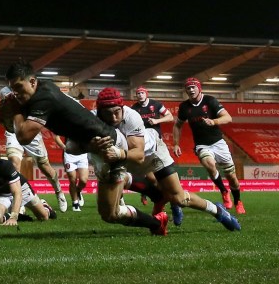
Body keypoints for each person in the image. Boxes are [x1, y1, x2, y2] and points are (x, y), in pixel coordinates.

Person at [0, 60, 167, 235]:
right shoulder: (40, 89)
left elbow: (23, 137)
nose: (15, 93)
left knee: (111, 214)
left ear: (32, 82)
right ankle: (152, 198)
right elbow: (15, 126)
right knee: (109, 212)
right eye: (12, 89)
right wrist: (5, 114)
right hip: (92, 145)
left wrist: (14, 110)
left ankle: (156, 218)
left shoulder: (43, 99)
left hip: (108, 145)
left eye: (18, 87)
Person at [94, 87, 240, 232]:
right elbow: (71, 147)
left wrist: (118, 154)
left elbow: (138, 155)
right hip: (126, 157)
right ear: (99, 112)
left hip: (152, 153)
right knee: (110, 211)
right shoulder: (93, 119)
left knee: (179, 198)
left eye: (117, 112)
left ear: (122, 107)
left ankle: (218, 211)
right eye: (108, 114)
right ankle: (158, 210)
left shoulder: (132, 115)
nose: (113, 118)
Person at [173, 77, 246, 214]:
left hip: (218, 143)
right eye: (188, 88)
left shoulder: (210, 101)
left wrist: (214, 122)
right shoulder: (184, 107)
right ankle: (224, 191)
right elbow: (178, 125)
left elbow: (228, 118)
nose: (191, 90)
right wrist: (176, 144)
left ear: (199, 88)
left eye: (193, 87)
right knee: (209, 164)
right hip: (201, 144)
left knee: (232, 178)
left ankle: (237, 201)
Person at [0, 86, 69, 212]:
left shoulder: (30, 90)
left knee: (44, 166)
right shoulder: (4, 92)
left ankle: (59, 191)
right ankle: (19, 200)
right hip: (13, 130)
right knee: (14, 162)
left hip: (29, 130)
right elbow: (1, 109)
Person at [0, 145, 56, 225]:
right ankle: (18, 215)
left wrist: (13, 217)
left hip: (22, 189)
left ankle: (44, 206)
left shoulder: (5, 166)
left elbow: (17, 192)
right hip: (0, 193)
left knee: (44, 217)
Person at [132, 86, 181, 221]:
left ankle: (174, 204)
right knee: (153, 179)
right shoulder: (134, 109)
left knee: (164, 180)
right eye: (138, 93)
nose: (140, 95)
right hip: (142, 146)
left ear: (146, 94)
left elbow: (170, 117)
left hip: (157, 145)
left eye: (142, 93)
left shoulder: (156, 105)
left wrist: (157, 121)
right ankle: (164, 201)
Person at [54, 133, 89, 212]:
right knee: (73, 180)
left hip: (82, 154)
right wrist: (64, 147)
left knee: (83, 181)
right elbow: (56, 137)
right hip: (69, 155)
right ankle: (75, 203)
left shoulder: (85, 123)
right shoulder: (68, 123)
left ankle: (78, 191)